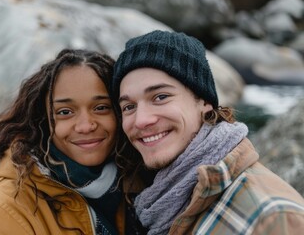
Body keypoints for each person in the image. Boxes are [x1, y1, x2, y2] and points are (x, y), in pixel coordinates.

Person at [111, 30, 304, 235]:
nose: (141, 120)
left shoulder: (274, 217)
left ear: (204, 102)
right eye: (129, 107)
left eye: (160, 97)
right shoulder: (148, 197)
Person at [0, 49, 143, 235]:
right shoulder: (0, 210)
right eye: (65, 112)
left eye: (101, 108)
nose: (86, 126)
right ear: (42, 120)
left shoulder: (140, 187)